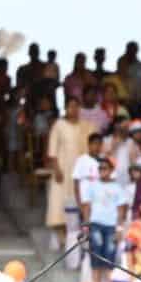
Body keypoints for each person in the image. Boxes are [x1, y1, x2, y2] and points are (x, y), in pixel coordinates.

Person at [45, 96, 97, 251]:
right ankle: (62, 237)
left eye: (76, 106)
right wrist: (56, 169)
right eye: (70, 106)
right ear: (66, 108)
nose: (73, 109)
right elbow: (52, 150)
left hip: (82, 171)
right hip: (63, 169)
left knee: (81, 201)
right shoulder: (59, 125)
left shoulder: (87, 126)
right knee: (59, 203)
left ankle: (79, 237)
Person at [80, 157, 129, 282]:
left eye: (105, 168)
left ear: (111, 170)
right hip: (95, 223)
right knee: (95, 252)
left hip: (111, 225)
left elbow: (121, 210)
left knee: (110, 254)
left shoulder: (118, 188)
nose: (102, 170)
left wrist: (119, 228)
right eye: (100, 168)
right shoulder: (92, 186)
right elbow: (86, 207)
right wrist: (86, 226)